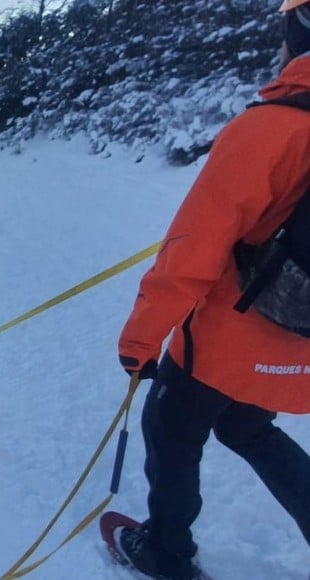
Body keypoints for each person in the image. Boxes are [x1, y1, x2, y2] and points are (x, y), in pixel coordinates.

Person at [116, 2, 310, 578]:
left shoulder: (270, 127)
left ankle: (167, 553)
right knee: (246, 425)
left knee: (171, 427)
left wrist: (142, 339)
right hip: (302, 343)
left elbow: (194, 251)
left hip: (229, 338)